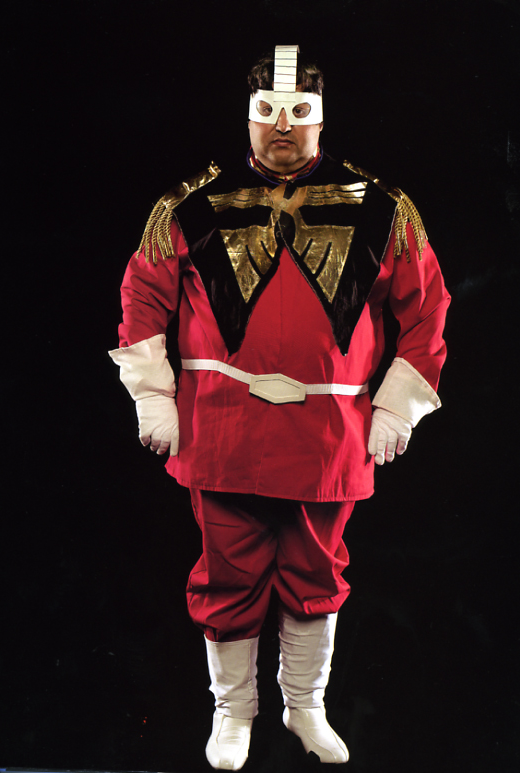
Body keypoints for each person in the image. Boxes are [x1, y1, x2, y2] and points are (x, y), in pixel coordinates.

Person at [109, 45, 450, 769]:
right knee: (227, 573)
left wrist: (397, 408)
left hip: (329, 433)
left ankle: (305, 707)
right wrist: (153, 394)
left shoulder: (383, 208)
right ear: (248, 117)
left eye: (298, 112)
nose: (283, 127)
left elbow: (426, 312)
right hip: (221, 428)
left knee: (316, 572)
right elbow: (143, 297)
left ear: (322, 119)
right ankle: (233, 713)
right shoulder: (188, 206)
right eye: (267, 112)